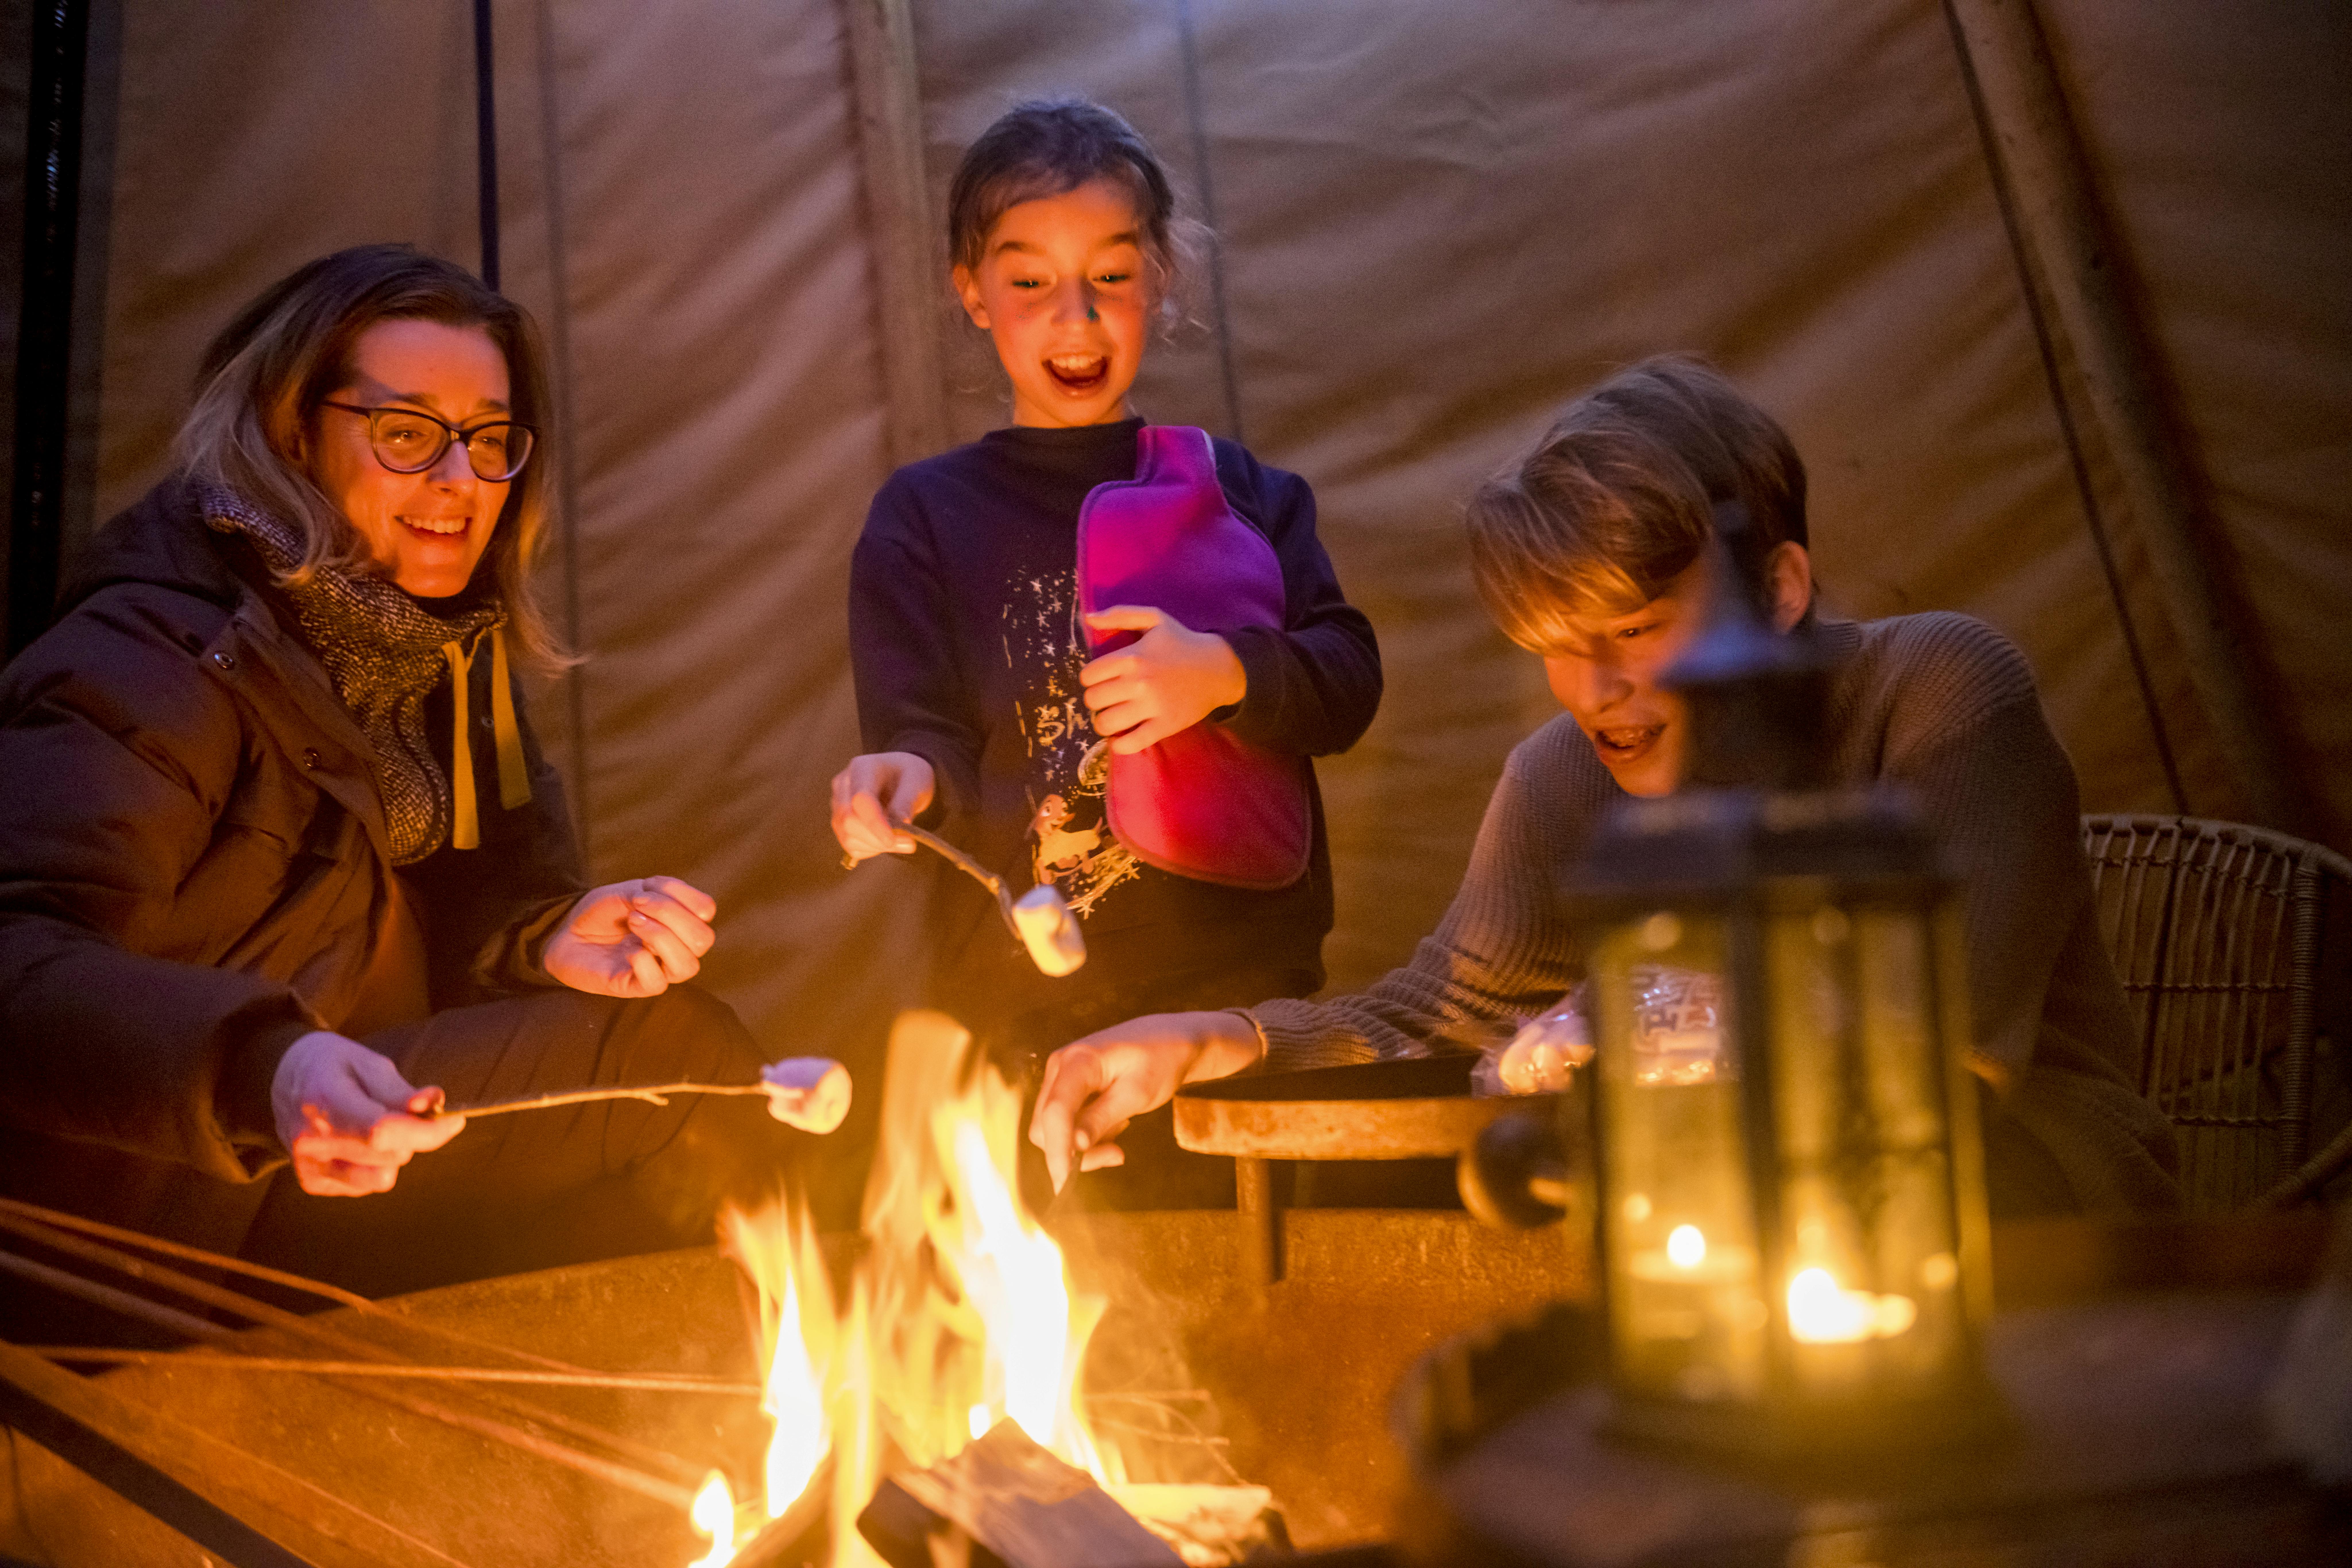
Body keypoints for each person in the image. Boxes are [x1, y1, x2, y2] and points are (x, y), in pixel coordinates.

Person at [1029, 356, 2182, 1218]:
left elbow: (1942, 1033)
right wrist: (1199, 1039)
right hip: (1725, 1208)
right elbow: (1428, 1019)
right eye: (1556, 640)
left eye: (1633, 629)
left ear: (1777, 589)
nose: (1596, 691)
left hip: (2034, 1196)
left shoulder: (1934, 688)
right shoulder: (1565, 775)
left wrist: (1645, 1016)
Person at [0, 245, 798, 1308]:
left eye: (489, 440)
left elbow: (476, 900)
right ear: (294, 431)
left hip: (358, 1129)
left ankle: (733, 1447)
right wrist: (265, 1071)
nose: (461, 482)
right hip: (159, 1211)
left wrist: (544, 938)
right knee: (669, 1069)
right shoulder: (160, 659)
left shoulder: (450, 655)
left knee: (676, 1072)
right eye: (409, 433)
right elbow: (17, 963)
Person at [830, 102, 1381, 1200]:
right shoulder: (926, 517)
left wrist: (1225, 673)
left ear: (1164, 277)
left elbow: (1347, 678)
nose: (1073, 318)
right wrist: (903, 779)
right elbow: (922, 728)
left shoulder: (1238, 493)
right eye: (1028, 279)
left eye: (1114, 276)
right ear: (971, 290)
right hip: (1027, 1022)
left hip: (1232, 1015)